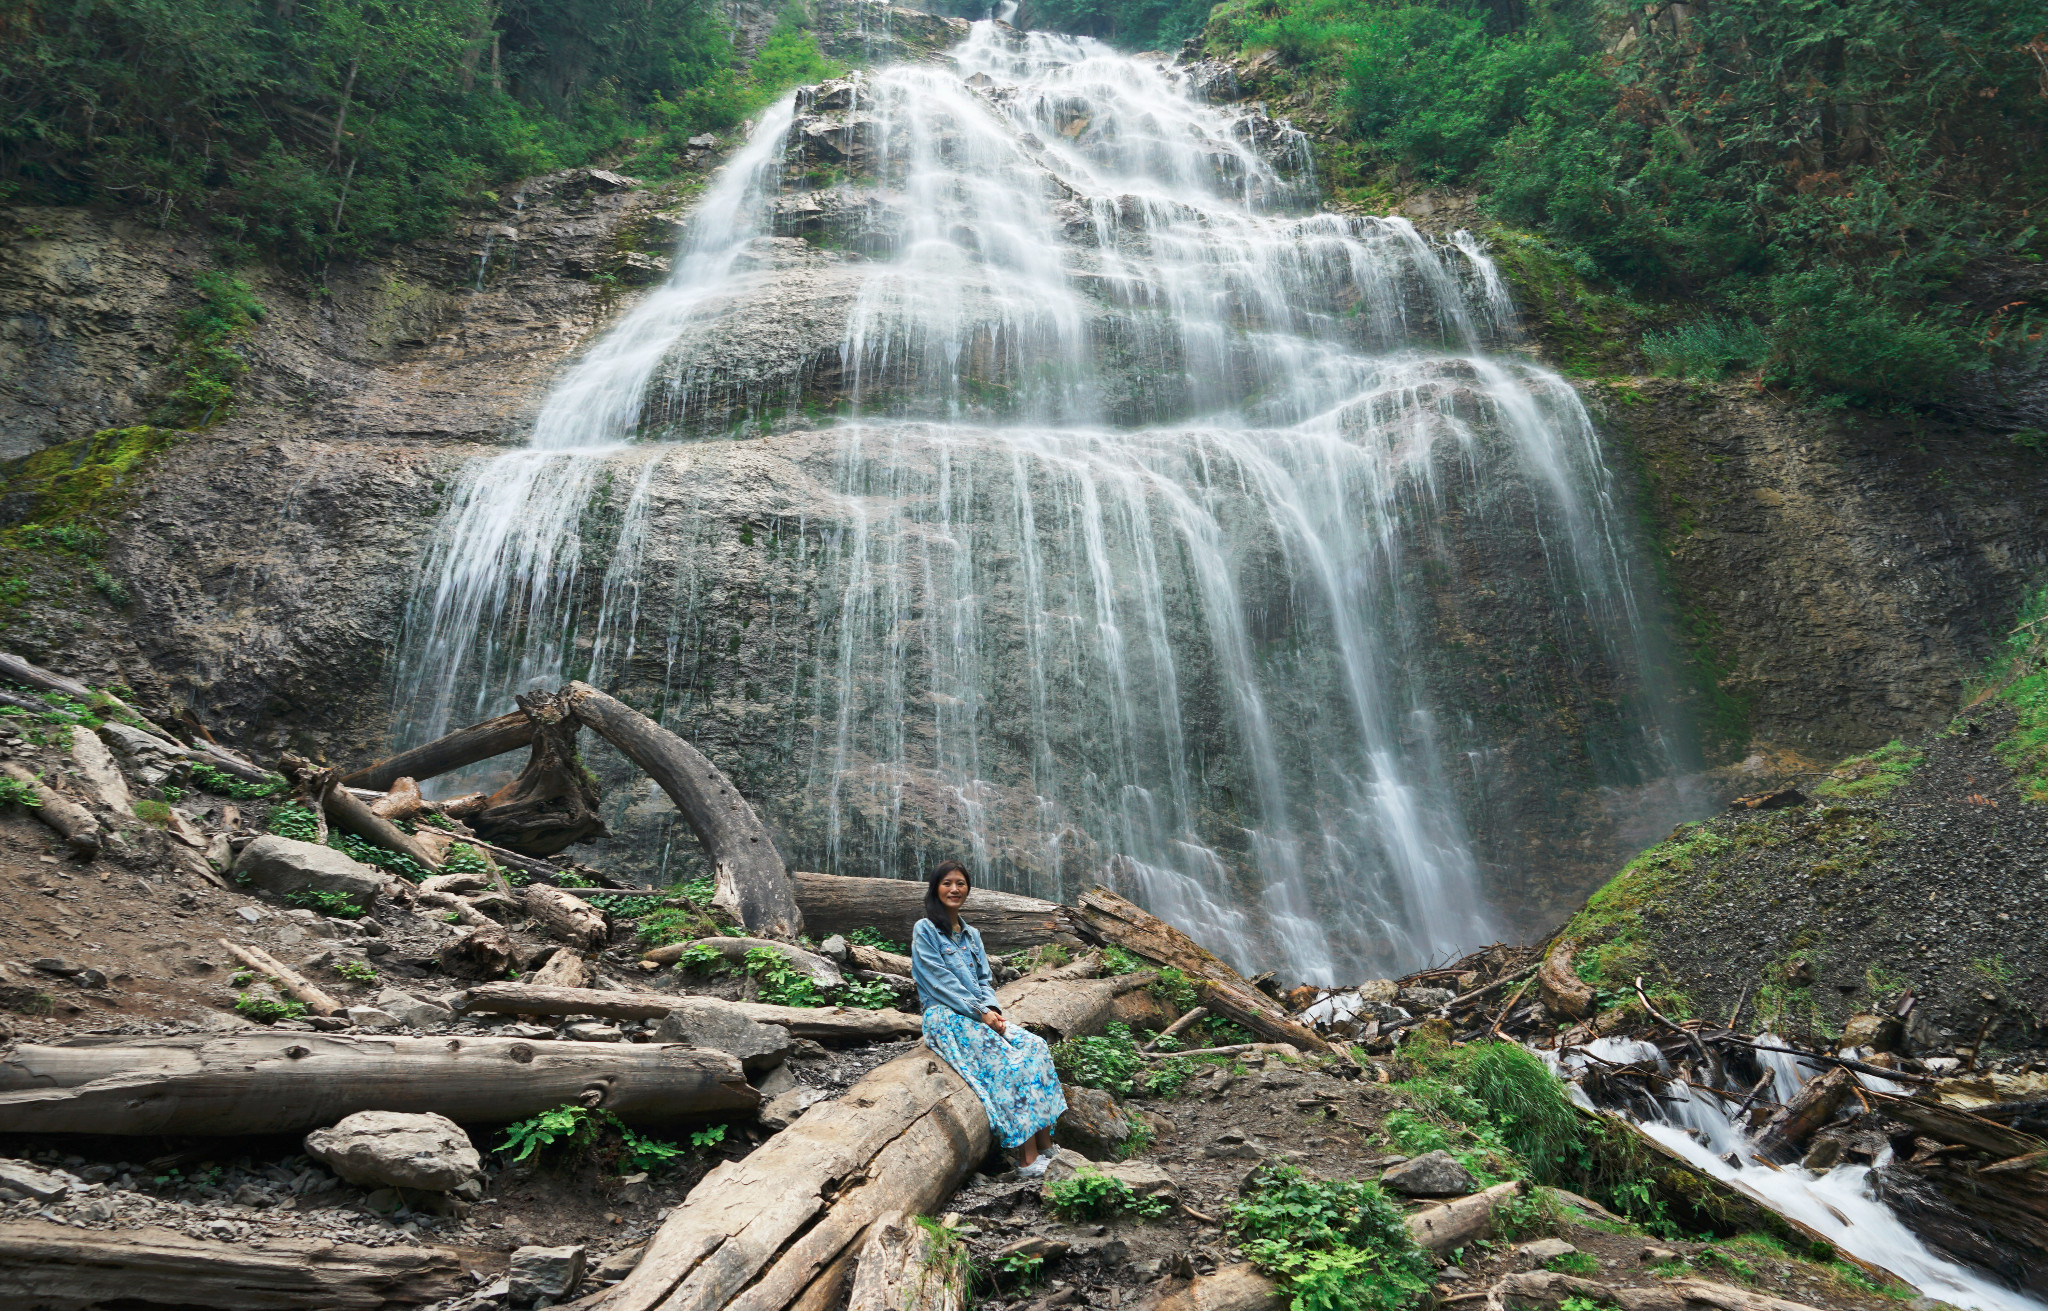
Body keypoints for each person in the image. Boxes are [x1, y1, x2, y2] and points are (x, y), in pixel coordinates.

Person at [911, 859, 1066, 1176]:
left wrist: (992, 1010)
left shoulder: (972, 936)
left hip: (980, 1015)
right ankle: (1027, 1159)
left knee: (1035, 1046)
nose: (954, 889)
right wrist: (980, 1012)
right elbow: (938, 981)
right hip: (944, 1016)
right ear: (935, 888)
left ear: (967, 889)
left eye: (961, 883)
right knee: (1009, 1059)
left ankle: (1047, 1144)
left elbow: (983, 982)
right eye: (947, 883)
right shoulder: (925, 930)